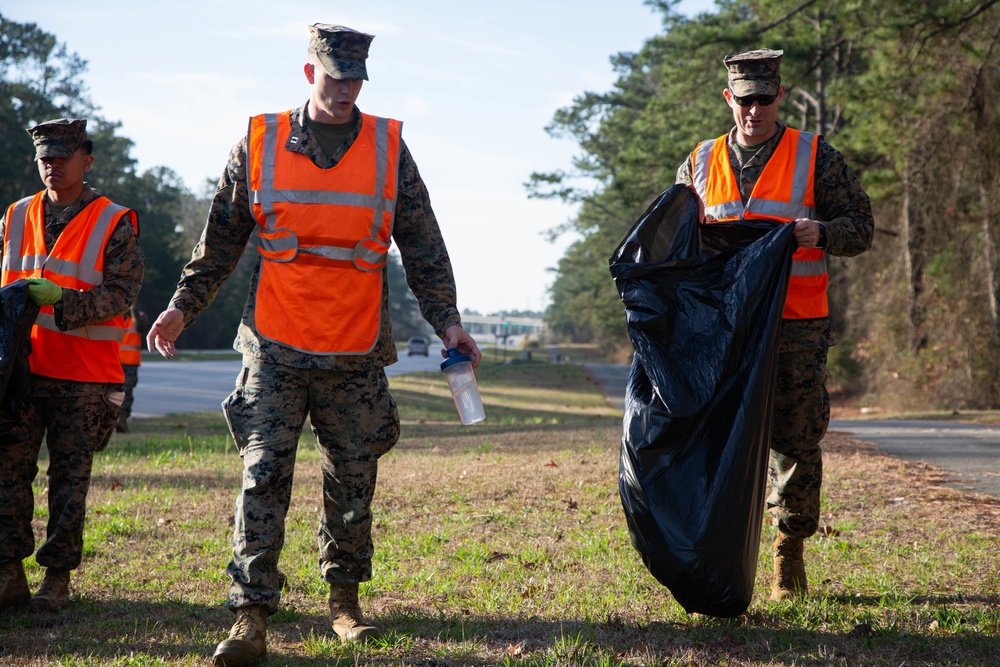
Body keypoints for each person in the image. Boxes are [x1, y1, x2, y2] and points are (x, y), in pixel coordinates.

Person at [145, 23, 481, 667]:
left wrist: (448, 322)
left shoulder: (388, 147)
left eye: (356, 80)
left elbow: (423, 243)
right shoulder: (260, 142)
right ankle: (250, 615)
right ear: (309, 74)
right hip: (275, 343)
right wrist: (182, 307)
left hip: (355, 348)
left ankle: (345, 604)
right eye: (335, 78)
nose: (346, 91)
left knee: (353, 476)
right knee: (264, 470)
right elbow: (220, 239)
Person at [675, 49, 874, 602]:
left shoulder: (816, 156)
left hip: (796, 326)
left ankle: (789, 552)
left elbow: (862, 226)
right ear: (729, 100)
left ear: (780, 96)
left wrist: (821, 233)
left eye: (765, 98)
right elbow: (675, 241)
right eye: (745, 100)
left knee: (795, 439)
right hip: (723, 332)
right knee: (722, 440)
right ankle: (719, 548)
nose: (755, 110)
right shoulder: (698, 161)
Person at [0, 118, 143, 612]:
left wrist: (64, 299)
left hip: (82, 375)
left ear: (87, 159)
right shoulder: (16, 216)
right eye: (45, 158)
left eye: (62, 157)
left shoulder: (114, 219)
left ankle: (56, 579)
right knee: (7, 470)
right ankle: (8, 572)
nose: (52, 166)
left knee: (69, 479)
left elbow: (123, 295)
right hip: (19, 371)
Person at [116, 304, 142, 433]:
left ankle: (122, 419)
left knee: (126, 392)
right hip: (115, 362)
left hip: (130, 363)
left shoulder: (138, 316)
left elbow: (141, 327)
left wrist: (134, 311)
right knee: (112, 392)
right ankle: (115, 419)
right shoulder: (115, 314)